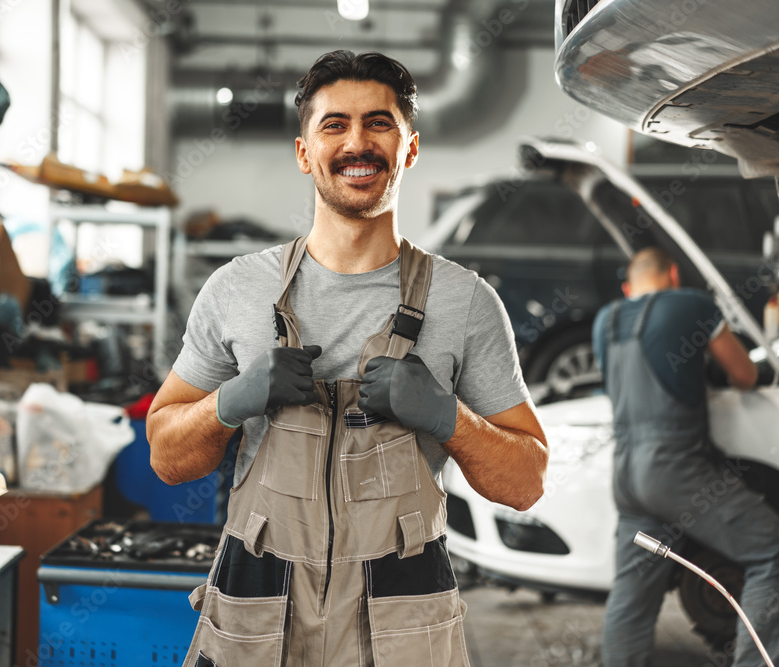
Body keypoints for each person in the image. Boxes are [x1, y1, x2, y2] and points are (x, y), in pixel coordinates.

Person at [147, 50, 548, 667]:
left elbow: (526, 482)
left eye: (378, 123)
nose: (357, 142)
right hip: (261, 617)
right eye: (334, 124)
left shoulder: (466, 302)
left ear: (409, 146)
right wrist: (230, 401)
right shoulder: (237, 289)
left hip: (399, 629)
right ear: (305, 152)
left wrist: (448, 418)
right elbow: (168, 458)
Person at [595, 247, 779, 666]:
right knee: (772, 550)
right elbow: (745, 375)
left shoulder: (606, 320)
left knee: (632, 597)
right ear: (673, 274)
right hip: (675, 468)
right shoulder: (690, 303)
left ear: (629, 286)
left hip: (626, 475)